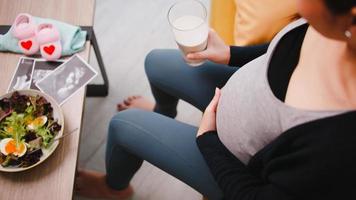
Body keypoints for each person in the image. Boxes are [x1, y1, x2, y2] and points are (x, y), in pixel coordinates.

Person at [76, 0, 356, 199]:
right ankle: (164, 114)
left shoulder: (338, 148)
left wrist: (208, 138)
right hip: (230, 95)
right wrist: (232, 54)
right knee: (156, 63)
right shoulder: (333, 28)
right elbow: (280, 50)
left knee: (123, 126)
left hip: (229, 160)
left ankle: (115, 189)